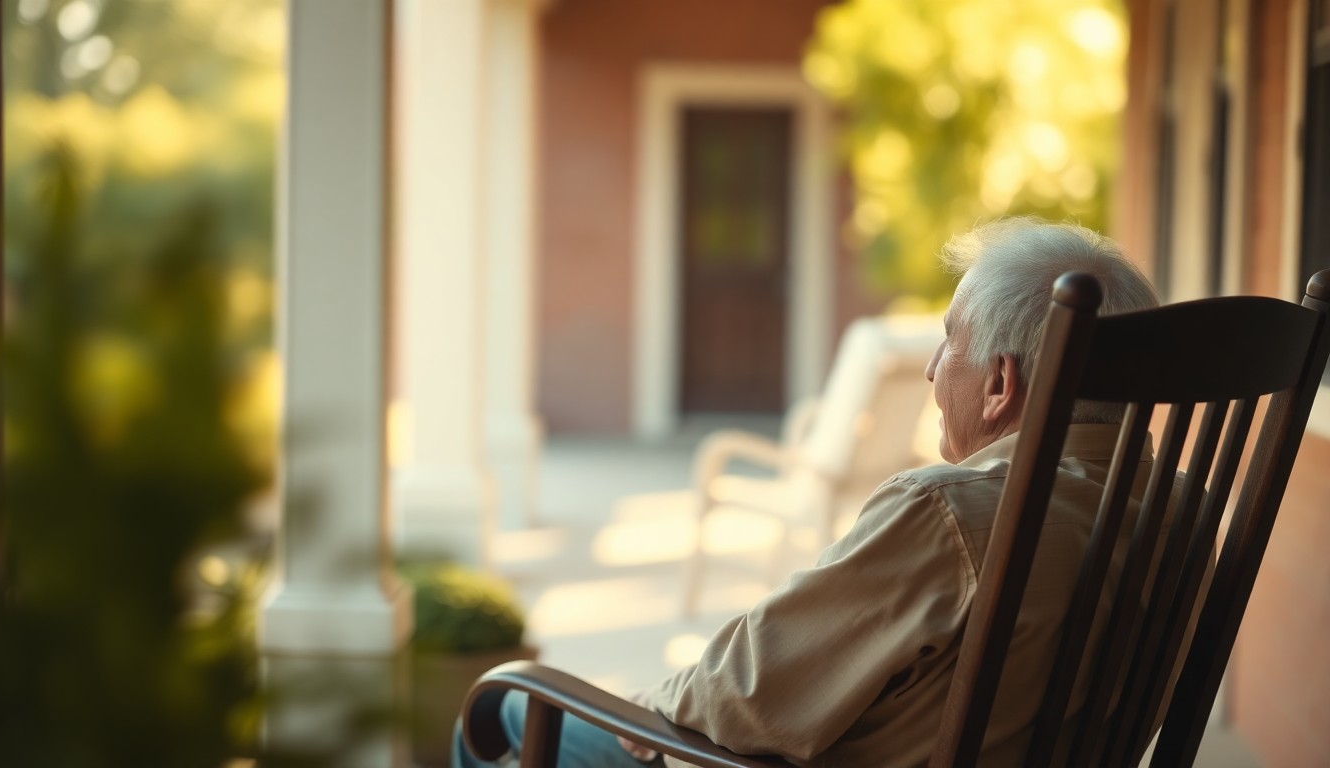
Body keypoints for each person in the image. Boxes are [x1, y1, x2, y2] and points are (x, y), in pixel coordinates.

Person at [453, 218, 1164, 767]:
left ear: (1002, 384)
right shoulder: (1177, 511)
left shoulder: (954, 514)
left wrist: (656, 706)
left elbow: (743, 696)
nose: (930, 369)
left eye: (950, 342)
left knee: (504, 706)